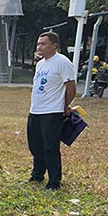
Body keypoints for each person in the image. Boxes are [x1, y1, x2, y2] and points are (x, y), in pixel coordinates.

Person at [27, 31, 76, 190]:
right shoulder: (41, 63)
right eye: (38, 43)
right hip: (36, 110)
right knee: (35, 145)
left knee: (50, 147)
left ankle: (54, 181)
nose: (39, 47)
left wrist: (63, 105)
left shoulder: (62, 62)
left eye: (43, 44)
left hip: (52, 112)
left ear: (54, 45)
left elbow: (71, 88)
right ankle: (37, 175)